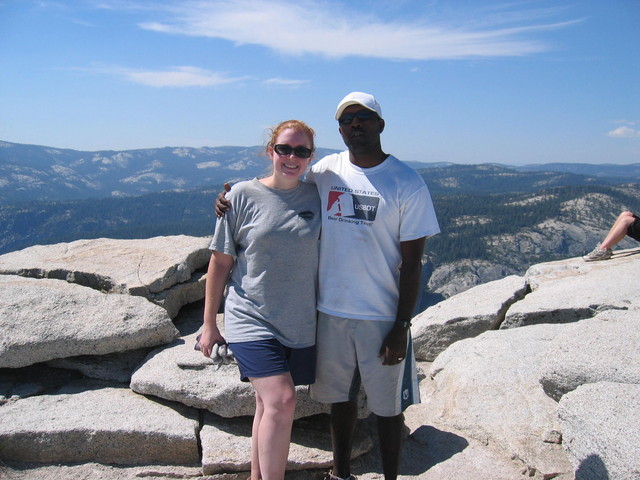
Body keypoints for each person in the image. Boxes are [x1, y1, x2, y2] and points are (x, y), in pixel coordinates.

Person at [217, 92, 440, 480]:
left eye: (363, 117)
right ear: (339, 129)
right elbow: (281, 184)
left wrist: (402, 326)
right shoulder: (327, 170)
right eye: (346, 119)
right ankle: (340, 475)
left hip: (381, 313)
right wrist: (231, 196)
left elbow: (413, 263)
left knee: (387, 407)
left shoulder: (407, 182)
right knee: (340, 399)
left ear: (380, 125)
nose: (355, 124)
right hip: (329, 311)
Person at [200, 119, 321, 480]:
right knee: (283, 400)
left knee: (266, 405)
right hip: (250, 315)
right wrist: (209, 325)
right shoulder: (239, 196)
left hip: (298, 321)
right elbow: (220, 262)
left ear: (311, 157)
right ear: (271, 151)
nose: (292, 157)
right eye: (284, 148)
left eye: (301, 151)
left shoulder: (318, 195)